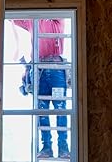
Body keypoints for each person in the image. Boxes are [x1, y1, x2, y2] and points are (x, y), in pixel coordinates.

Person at [11, 18, 71, 160]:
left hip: (57, 69)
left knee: (60, 109)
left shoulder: (57, 21)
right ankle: (47, 148)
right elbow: (14, 17)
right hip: (40, 71)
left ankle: (63, 148)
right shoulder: (33, 20)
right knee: (42, 110)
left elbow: (58, 6)